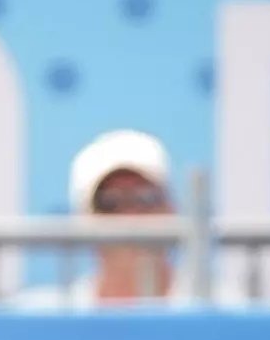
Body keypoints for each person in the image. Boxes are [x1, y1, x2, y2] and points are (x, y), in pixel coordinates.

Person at [49, 125, 178, 299]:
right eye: (109, 203)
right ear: (84, 221)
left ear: (171, 209)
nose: (130, 217)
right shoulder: (48, 314)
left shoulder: (220, 308)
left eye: (146, 198)